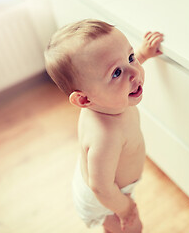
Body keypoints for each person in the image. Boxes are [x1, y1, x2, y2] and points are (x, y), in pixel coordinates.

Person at [44, 19, 163, 233]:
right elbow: (101, 188)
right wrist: (125, 209)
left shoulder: (103, 99)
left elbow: (121, 67)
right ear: (84, 100)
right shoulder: (104, 137)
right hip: (105, 198)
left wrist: (142, 54)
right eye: (116, 73)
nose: (134, 72)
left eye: (130, 57)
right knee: (132, 228)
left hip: (108, 186)